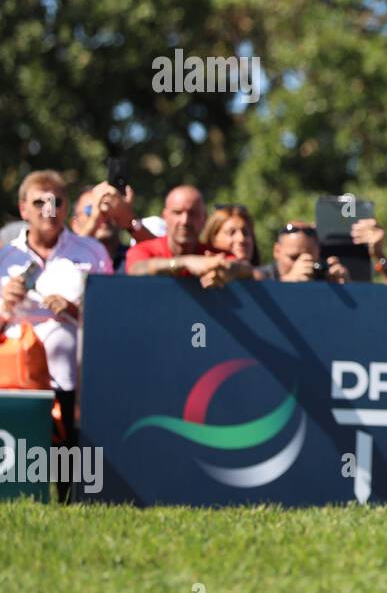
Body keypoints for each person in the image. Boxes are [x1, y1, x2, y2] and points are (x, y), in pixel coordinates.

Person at [0, 171, 113, 492]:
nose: (48, 209)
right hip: (16, 377)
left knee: (64, 346)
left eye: (56, 201)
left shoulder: (92, 253)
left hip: (73, 376)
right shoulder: (4, 259)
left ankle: (70, 488)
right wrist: (4, 306)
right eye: (39, 202)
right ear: (23, 209)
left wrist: (76, 311)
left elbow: (111, 320)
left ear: (66, 207)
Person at [125, 186, 253, 287]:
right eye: (177, 212)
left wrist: (228, 270)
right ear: (165, 216)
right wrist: (184, 262)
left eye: (193, 214)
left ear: (204, 219)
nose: (185, 220)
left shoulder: (211, 255)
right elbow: (136, 269)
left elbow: (246, 269)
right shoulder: (144, 249)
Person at [69, 182, 155, 272]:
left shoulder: (133, 257)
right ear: (75, 224)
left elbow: (162, 253)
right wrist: (93, 221)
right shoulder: (63, 258)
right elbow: (62, 264)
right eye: (90, 209)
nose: (102, 214)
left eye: (108, 207)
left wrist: (129, 220)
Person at [264, 222, 349, 283]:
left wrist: (345, 290)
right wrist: (287, 283)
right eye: (294, 257)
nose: (302, 265)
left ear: (318, 252)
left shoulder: (324, 278)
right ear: (277, 251)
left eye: (310, 259)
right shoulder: (260, 277)